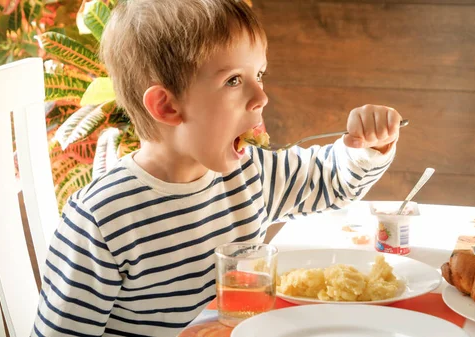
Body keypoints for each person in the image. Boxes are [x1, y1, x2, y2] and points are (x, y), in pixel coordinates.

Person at [33, 0, 402, 335]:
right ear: (167, 107)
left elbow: (329, 182)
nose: (261, 96)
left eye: (261, 74)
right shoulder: (101, 220)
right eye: (234, 80)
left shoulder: (251, 175)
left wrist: (366, 147)